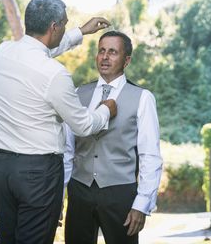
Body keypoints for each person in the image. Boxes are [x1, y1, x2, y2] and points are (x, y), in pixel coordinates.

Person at [0, 0, 117, 244]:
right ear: (54, 27)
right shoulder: (54, 74)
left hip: (3, 167)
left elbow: (39, 52)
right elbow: (82, 125)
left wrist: (80, 32)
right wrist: (106, 110)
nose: (66, 27)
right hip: (38, 173)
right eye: (65, 24)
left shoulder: (2, 52)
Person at [64, 30, 163, 244]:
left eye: (112, 52)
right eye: (101, 51)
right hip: (79, 190)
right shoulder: (79, 93)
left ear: (126, 60)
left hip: (120, 194)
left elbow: (150, 156)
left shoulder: (143, 98)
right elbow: (67, 149)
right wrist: (59, 193)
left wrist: (141, 204)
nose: (105, 57)